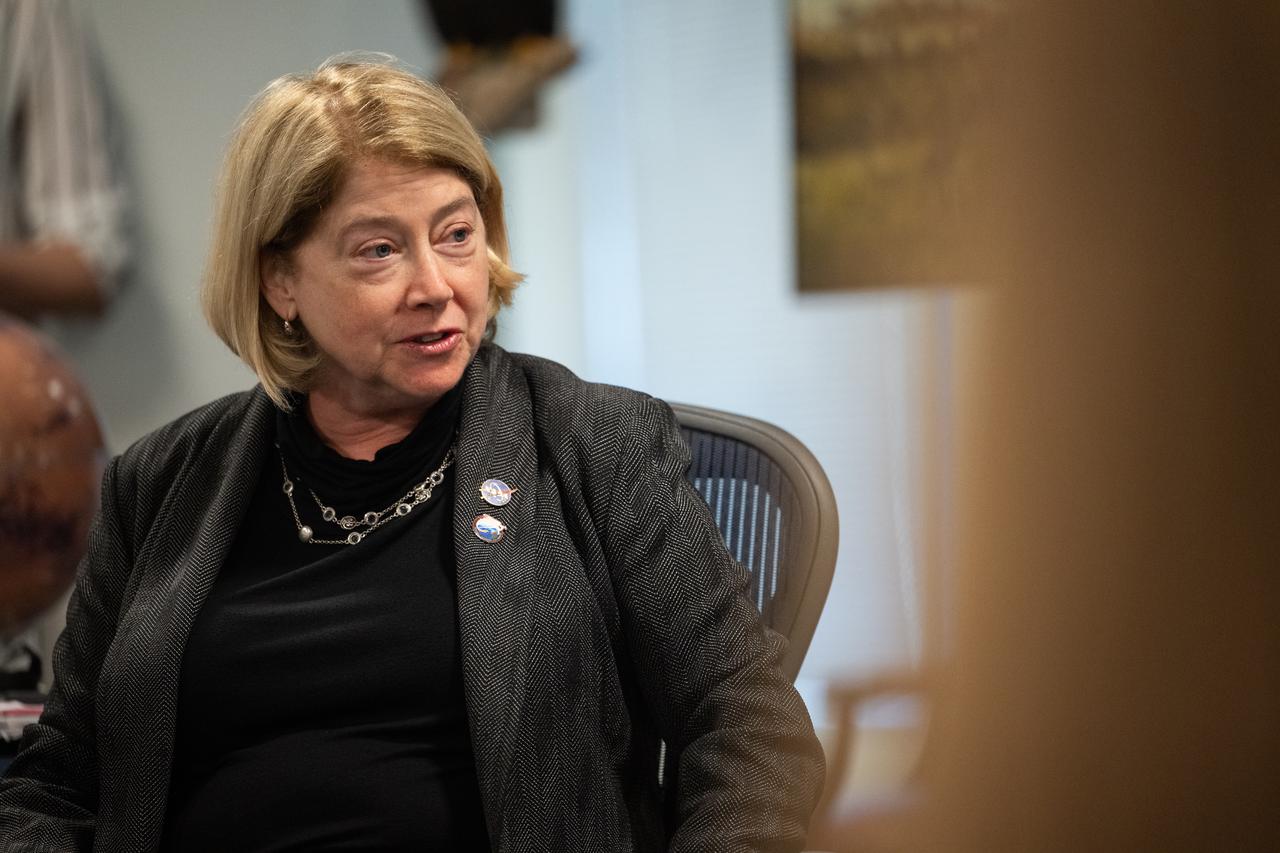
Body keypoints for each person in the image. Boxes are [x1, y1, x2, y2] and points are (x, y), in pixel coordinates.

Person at [0, 58, 824, 851]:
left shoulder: (595, 443)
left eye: (456, 234)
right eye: (379, 250)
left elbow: (749, 723)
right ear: (279, 282)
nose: (435, 284)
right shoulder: (162, 482)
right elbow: (60, 777)